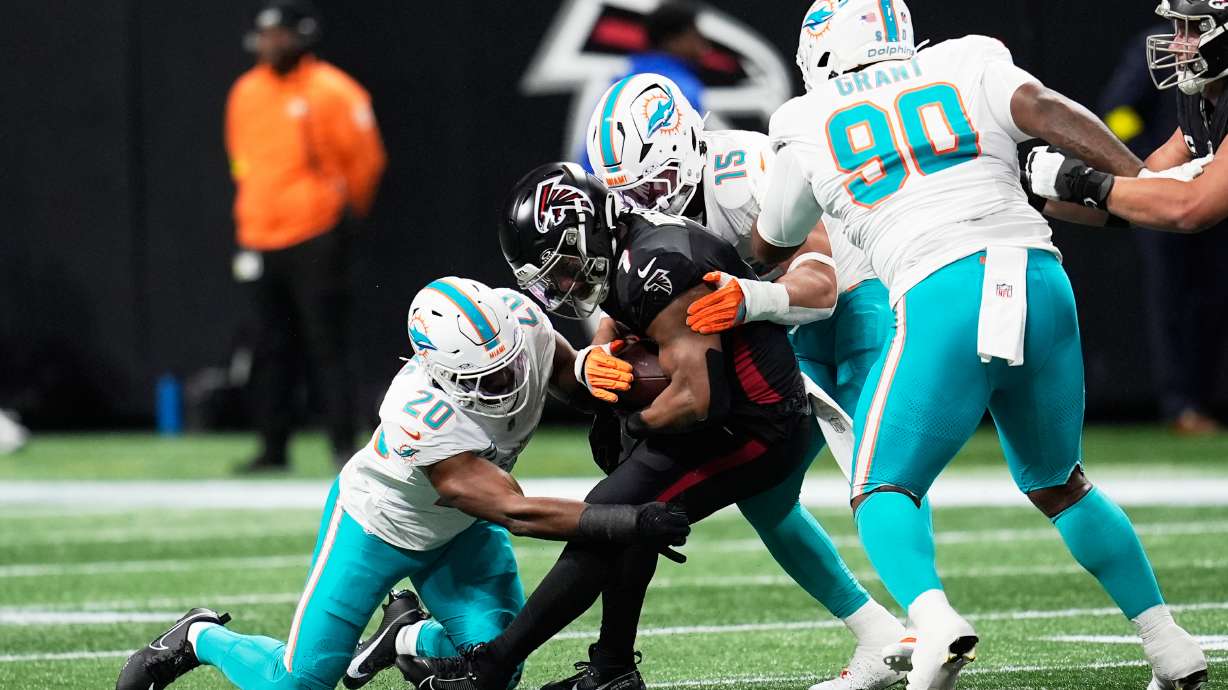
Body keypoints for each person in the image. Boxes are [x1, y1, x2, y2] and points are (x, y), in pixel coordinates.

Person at [755, 1, 1207, 689]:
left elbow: (774, 239)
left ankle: (933, 622)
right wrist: (1140, 184)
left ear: (818, 53)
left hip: (944, 291)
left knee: (879, 486)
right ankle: (1168, 644)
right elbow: (1048, 110)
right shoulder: (966, 57)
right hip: (1040, 277)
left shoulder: (800, 119)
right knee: (1063, 484)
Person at [114, 277, 690, 690]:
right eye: (489, 376)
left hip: (458, 531)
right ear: (440, 373)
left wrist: (600, 381)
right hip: (378, 525)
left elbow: (562, 372)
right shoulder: (417, 409)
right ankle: (197, 638)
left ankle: (404, 638)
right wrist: (627, 521)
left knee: (500, 663)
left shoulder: (522, 323)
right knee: (298, 683)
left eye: (509, 362)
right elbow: (512, 510)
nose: (509, 379)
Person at [397, 162, 835, 690]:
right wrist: (607, 378)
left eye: (560, 267)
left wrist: (631, 420)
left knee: (608, 513)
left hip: (757, 425)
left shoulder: (658, 263)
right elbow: (630, 331)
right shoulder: (620, 250)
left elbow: (699, 399)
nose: (560, 285)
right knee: (626, 515)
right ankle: (611, 671)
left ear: (584, 230)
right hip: (721, 415)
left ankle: (490, 669)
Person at [584, 72, 906, 689]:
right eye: (628, 193)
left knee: (881, 478)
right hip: (774, 328)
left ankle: (928, 622)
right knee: (767, 497)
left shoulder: (744, 170)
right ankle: (883, 636)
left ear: (686, 148)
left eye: (651, 184)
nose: (643, 203)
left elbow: (822, 287)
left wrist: (749, 298)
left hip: (851, 308)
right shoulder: (636, 210)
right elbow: (620, 295)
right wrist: (597, 354)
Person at [1026, 0, 1228, 436]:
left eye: (1191, 30)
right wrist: (1037, 193)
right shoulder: (1199, 101)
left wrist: (1082, 182)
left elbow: (1189, 208)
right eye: (1176, 29)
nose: (1176, 44)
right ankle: (1185, 404)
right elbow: (1151, 189)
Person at [226, 0, 386, 471]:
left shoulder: (333, 91)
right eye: (266, 35)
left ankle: (342, 445)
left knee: (327, 345)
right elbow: (241, 160)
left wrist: (338, 214)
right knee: (270, 347)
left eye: (281, 34)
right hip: (261, 235)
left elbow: (366, 164)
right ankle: (273, 446)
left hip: (316, 234)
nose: (272, 44)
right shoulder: (246, 93)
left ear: (302, 35)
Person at [574, 1, 709, 171]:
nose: (704, 45)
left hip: (598, 184)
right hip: (640, 191)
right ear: (673, 40)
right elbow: (683, 160)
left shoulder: (621, 76)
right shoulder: (682, 88)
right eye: (694, 35)